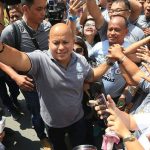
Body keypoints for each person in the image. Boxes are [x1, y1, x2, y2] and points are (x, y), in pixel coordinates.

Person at [0, 23, 114, 150]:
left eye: (65, 42)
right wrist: (1, 48)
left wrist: (109, 61)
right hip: (53, 124)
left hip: (77, 120)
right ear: (49, 42)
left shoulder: (80, 60)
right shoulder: (40, 59)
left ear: (72, 42)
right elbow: (19, 58)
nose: (61, 47)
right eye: (56, 42)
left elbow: (91, 75)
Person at [1, 0, 52, 149]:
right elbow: (2, 57)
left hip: (49, 82)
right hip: (29, 85)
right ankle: (42, 136)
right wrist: (16, 77)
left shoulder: (48, 27)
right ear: (25, 9)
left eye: (45, 8)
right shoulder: (11, 32)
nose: (44, 13)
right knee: (37, 112)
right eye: (39, 9)